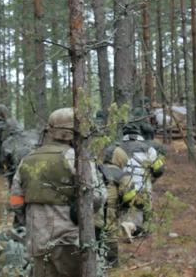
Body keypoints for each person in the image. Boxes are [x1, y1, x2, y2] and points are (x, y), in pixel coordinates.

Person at [9, 107, 106, 277]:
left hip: (37, 241)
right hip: (69, 240)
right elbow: (97, 196)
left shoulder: (28, 159)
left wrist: (29, 221)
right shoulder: (76, 157)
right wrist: (80, 215)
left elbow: (16, 201)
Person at [120, 110, 166, 235]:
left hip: (124, 187)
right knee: (144, 208)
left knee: (124, 208)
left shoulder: (117, 148)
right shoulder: (148, 148)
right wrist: (151, 179)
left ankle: (124, 228)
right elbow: (159, 168)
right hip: (143, 186)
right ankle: (141, 229)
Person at [95, 145, 137, 268]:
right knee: (110, 240)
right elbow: (128, 197)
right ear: (121, 159)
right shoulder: (123, 175)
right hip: (109, 214)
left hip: (88, 213)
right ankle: (111, 267)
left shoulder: (95, 169)